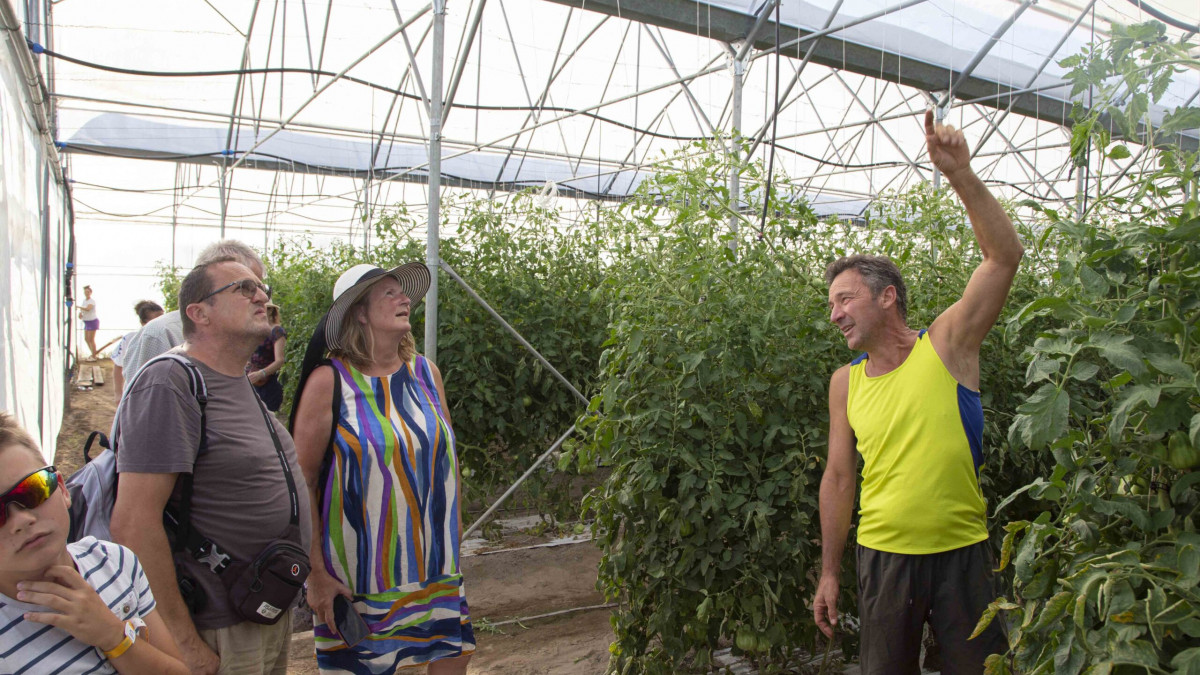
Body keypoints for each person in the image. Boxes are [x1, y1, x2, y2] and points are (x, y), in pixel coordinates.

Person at [813, 109, 1025, 674]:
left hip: (962, 558)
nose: (834, 314)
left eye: (845, 299)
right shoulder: (846, 383)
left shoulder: (947, 345)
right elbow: (838, 477)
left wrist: (960, 174)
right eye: (830, 304)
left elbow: (1003, 257)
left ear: (887, 298)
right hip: (884, 562)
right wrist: (830, 571)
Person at [110, 258, 311, 675]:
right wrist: (185, 643)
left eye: (262, 287)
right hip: (218, 625)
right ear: (199, 313)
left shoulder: (236, 380)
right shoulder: (171, 381)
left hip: (260, 607)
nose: (262, 296)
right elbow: (133, 521)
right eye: (243, 288)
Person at [291, 263, 474, 673]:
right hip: (360, 572)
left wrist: (455, 528)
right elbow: (303, 479)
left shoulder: (426, 374)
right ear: (358, 312)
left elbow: (449, 457)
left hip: (434, 562)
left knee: (452, 656)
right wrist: (315, 573)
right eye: (388, 293)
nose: (404, 298)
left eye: (403, 292)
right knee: (368, 664)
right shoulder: (330, 381)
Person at [0, 412, 188, 675]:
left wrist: (112, 635)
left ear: (63, 489)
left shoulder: (116, 561)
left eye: (33, 489)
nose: (21, 519)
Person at [118, 240, 268, 393]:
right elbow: (143, 406)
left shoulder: (236, 339)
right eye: (247, 287)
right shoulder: (160, 334)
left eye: (261, 287)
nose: (262, 297)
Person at [112, 300, 164, 401]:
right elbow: (118, 365)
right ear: (142, 322)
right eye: (155, 322)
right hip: (135, 391)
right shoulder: (130, 339)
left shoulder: (167, 335)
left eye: (163, 319)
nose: (161, 324)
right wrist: (118, 394)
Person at [247, 303, 286, 412]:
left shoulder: (277, 331)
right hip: (252, 378)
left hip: (269, 382)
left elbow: (280, 360)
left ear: (270, 310)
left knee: (268, 415)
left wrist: (261, 373)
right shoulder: (257, 328)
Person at [78, 285, 99, 361]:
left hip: (92, 321)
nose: (86, 293)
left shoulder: (91, 301)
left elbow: (88, 309)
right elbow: (83, 310)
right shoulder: (84, 301)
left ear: (90, 293)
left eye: (87, 292)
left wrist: (79, 307)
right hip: (86, 321)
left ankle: (94, 356)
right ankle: (93, 354)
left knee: (91, 339)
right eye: (85, 292)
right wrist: (80, 314)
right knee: (86, 339)